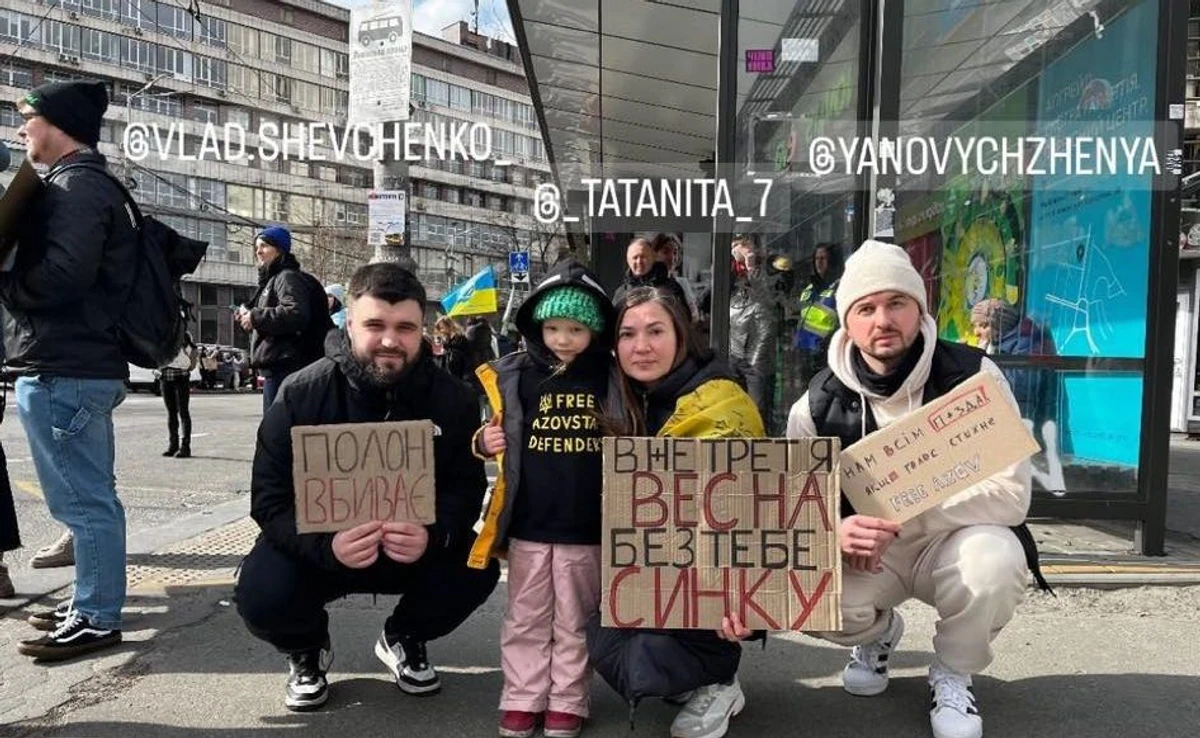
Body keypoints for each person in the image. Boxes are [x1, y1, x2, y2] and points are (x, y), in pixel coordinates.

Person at [786, 240, 1039, 738]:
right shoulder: (814, 405)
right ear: (847, 320)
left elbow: (1012, 495)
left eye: (896, 303)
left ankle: (952, 670)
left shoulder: (972, 375)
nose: (883, 319)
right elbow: (799, 513)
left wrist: (902, 515)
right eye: (866, 308)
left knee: (997, 562)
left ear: (918, 308)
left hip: (952, 540)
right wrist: (836, 530)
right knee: (801, 591)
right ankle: (879, 635)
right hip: (870, 558)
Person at [235, 263, 500, 712]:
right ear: (349, 325)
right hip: (322, 550)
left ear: (423, 330)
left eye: (405, 327)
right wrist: (325, 547)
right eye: (374, 325)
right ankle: (306, 648)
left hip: (409, 548)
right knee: (260, 592)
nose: (390, 340)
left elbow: (465, 490)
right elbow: (269, 499)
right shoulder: (302, 393)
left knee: (480, 564)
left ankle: (405, 635)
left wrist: (434, 536)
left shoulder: (452, 399)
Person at [587, 286, 763, 738]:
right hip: (644, 566)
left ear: (682, 334)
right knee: (605, 638)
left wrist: (744, 595)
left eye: (655, 331)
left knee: (650, 647)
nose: (641, 346)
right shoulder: (614, 397)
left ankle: (720, 679)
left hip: (714, 569)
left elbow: (753, 513)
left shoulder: (724, 400)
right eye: (627, 334)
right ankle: (684, 670)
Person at [1, 80, 135, 659]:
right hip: (74, 364)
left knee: (83, 503)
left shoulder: (76, 188)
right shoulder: (83, 183)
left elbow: (65, 276)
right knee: (90, 497)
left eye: (27, 118)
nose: (21, 129)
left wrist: (6, 280)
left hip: (65, 366)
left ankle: (97, 616)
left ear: (57, 125)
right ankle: (90, 602)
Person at [469, 261, 618, 738]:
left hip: (587, 527)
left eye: (575, 329)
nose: (562, 338)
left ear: (594, 331)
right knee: (526, 617)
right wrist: (481, 443)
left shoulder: (611, 379)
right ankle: (522, 697)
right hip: (529, 524)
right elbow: (493, 431)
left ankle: (568, 700)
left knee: (576, 621)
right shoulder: (517, 375)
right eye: (553, 327)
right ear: (537, 325)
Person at [238, 226, 329, 411]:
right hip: (282, 366)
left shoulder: (287, 277)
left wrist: (255, 317)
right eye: (257, 247)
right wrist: (249, 316)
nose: (258, 252)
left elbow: (295, 313)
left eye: (264, 246)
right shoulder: (275, 279)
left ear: (279, 249)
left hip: (287, 367)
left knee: (278, 431)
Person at [728, 235, 781, 426]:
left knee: (758, 409)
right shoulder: (731, 274)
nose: (738, 249)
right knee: (734, 409)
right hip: (734, 352)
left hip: (757, 355)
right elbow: (709, 299)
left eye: (743, 244)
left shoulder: (768, 268)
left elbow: (770, 301)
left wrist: (753, 269)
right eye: (734, 245)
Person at [793, 243, 843, 384]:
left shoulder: (838, 287)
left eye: (823, 258)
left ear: (832, 261)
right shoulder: (809, 288)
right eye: (816, 259)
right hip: (804, 352)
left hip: (825, 353)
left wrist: (827, 343)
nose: (819, 262)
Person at [611, 238, 688, 308]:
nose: (639, 261)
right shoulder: (620, 293)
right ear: (628, 260)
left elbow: (683, 318)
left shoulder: (670, 288)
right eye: (635, 257)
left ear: (653, 258)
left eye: (643, 257)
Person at [159, 332, 198, 458]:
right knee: (172, 412)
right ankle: (173, 445)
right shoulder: (164, 334)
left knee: (183, 412)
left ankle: (185, 447)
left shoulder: (185, 335)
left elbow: (193, 355)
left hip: (180, 376)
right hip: (166, 375)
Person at [650, 232, 699, 321]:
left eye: (675, 252)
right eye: (666, 252)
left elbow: (694, 316)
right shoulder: (648, 283)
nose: (672, 257)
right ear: (654, 254)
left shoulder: (682, 283)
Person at [431, 316, 470, 381]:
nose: (441, 331)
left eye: (442, 328)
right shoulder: (446, 340)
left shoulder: (459, 339)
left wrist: (446, 347)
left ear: (448, 326)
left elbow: (458, 359)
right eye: (439, 329)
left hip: (459, 375)